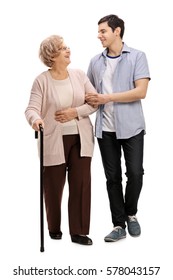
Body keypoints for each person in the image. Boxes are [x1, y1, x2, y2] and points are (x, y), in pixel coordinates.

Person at [25, 35, 97, 245]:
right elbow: (31, 108)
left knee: (81, 184)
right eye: (63, 48)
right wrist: (36, 119)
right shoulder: (41, 80)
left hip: (81, 138)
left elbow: (93, 102)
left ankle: (79, 232)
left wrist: (75, 112)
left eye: (67, 47)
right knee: (54, 186)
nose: (68, 50)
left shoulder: (79, 75)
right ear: (52, 55)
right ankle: (54, 227)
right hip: (54, 139)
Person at [86, 14, 150, 242]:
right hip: (106, 130)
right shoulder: (95, 62)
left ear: (117, 31)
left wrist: (107, 97)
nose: (99, 35)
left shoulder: (137, 56)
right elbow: (91, 97)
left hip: (132, 127)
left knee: (135, 174)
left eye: (103, 31)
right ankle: (118, 224)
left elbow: (140, 91)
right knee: (112, 178)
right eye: (99, 31)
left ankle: (131, 213)